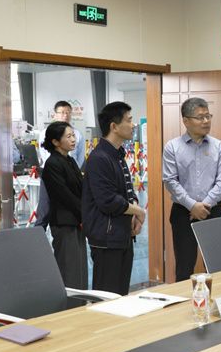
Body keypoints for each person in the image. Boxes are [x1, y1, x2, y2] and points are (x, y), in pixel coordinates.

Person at [162, 97, 221, 282]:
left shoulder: (218, 146)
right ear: (186, 121)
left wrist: (204, 205)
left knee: (219, 266)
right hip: (183, 212)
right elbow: (170, 180)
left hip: (213, 210)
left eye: (208, 116)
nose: (206, 121)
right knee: (184, 267)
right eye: (200, 117)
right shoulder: (172, 147)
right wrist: (192, 205)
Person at [82, 101, 145, 295]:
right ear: (114, 126)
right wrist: (139, 211)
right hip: (106, 238)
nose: (133, 125)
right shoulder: (99, 158)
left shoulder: (117, 155)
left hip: (121, 234)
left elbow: (127, 190)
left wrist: (134, 209)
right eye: (129, 120)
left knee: (121, 294)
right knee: (107, 295)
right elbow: (108, 200)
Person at [41, 121, 87, 289]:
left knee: (80, 267)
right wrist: (84, 212)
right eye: (68, 136)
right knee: (69, 269)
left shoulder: (71, 161)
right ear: (55, 141)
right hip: (64, 222)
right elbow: (64, 195)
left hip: (76, 220)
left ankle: (81, 302)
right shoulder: (52, 164)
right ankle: (69, 304)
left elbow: (81, 188)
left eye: (73, 135)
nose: (73, 139)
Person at [36, 101, 85, 230]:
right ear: (55, 114)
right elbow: (45, 155)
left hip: (70, 172)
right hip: (52, 172)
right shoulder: (45, 133)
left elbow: (80, 157)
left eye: (68, 112)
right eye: (62, 112)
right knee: (45, 207)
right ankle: (39, 233)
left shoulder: (78, 134)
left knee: (70, 205)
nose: (65, 115)